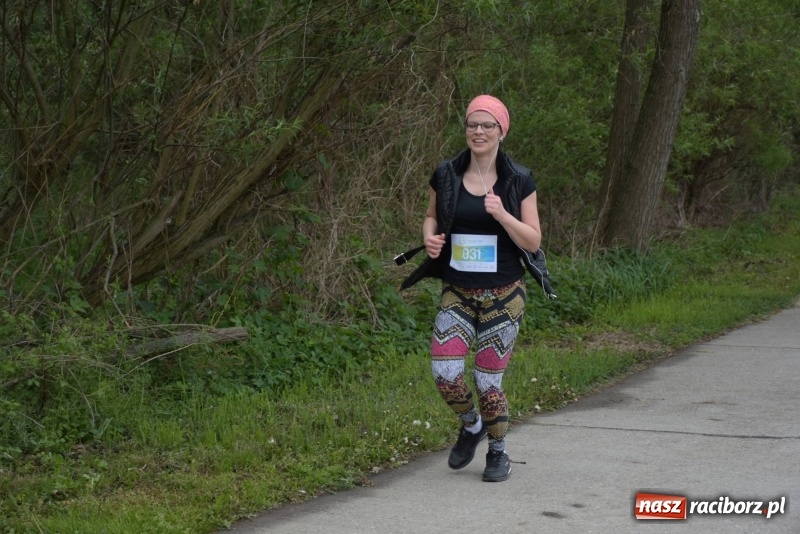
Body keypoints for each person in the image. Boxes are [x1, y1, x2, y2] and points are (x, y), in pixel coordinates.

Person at [401, 95, 541, 482]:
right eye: (472, 125)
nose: (478, 132)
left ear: (501, 132)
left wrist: (503, 215)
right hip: (458, 290)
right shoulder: (445, 174)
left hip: (504, 293)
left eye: (487, 125)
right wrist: (430, 239)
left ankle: (498, 452)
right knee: (445, 371)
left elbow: (532, 241)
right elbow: (430, 218)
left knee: (487, 380)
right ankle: (473, 425)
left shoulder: (518, 179)